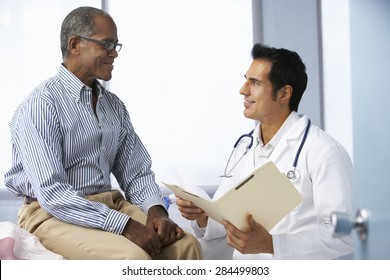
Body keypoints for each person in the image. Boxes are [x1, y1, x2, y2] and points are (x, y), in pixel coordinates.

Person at [4, 6, 201, 260]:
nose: (114, 54)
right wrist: (124, 225)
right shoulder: (42, 105)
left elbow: (136, 172)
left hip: (110, 205)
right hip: (51, 213)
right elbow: (53, 194)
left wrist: (156, 211)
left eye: (116, 46)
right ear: (75, 44)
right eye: (107, 44)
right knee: (134, 258)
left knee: (187, 246)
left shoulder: (114, 106)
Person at [177, 43, 353, 259]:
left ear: (283, 94)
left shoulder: (324, 151)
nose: (243, 90)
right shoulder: (246, 147)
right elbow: (228, 216)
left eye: (255, 82)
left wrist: (275, 245)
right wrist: (203, 216)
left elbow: (345, 235)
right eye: (246, 79)